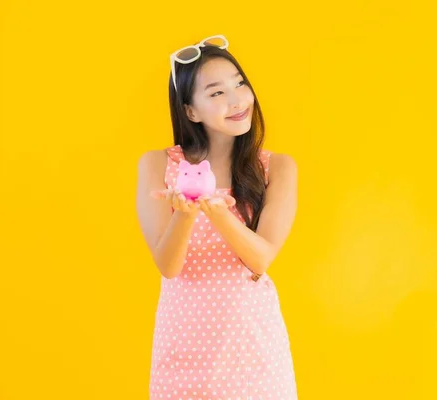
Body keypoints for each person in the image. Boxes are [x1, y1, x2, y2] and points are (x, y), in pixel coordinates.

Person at [135, 34, 299, 400]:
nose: (237, 99)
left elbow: (260, 258)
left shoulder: (277, 168)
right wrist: (186, 214)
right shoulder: (159, 165)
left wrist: (215, 208)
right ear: (191, 111)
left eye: (239, 84)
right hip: (183, 345)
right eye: (216, 92)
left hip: (253, 347)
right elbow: (168, 265)